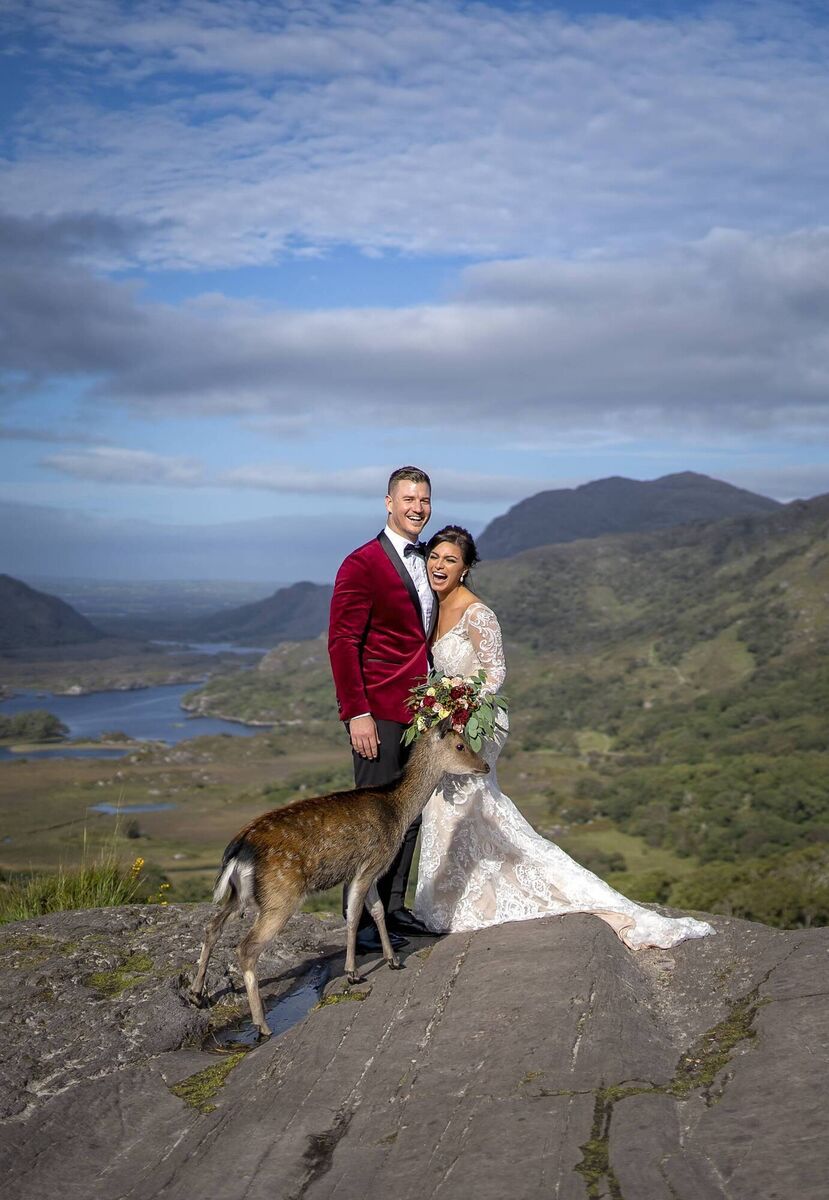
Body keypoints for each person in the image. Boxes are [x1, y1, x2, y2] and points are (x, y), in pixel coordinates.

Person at [413, 525, 714, 949]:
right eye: (435, 558)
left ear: (465, 569)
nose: (440, 567)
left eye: (450, 561)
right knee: (451, 806)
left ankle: (473, 898)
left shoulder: (478, 613)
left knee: (460, 801)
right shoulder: (431, 606)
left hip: (477, 721)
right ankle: (453, 898)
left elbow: (495, 673)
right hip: (448, 723)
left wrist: (462, 705)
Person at [328, 466, 438, 952]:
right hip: (378, 711)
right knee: (372, 821)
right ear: (388, 503)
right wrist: (356, 712)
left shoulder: (430, 560)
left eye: (425, 499)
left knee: (409, 814)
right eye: (409, 498)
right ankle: (362, 923)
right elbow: (343, 642)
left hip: (422, 712)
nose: (418, 507)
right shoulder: (361, 563)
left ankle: (393, 908)